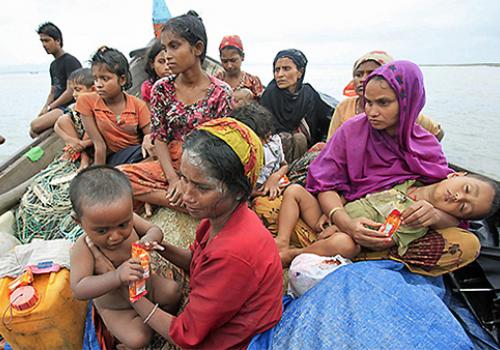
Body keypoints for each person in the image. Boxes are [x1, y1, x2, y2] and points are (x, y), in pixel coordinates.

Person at [87, 118, 283, 349]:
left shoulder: (233, 253)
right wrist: (161, 248)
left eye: (202, 187)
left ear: (238, 191)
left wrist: (129, 290)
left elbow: (186, 336)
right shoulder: (217, 219)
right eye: (183, 178)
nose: (186, 195)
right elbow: (196, 263)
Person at [303, 60, 480, 276]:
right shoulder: (352, 131)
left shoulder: (427, 146)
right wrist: (346, 223)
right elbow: (325, 184)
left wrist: (433, 215)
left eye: (383, 103)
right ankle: (362, 252)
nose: (372, 111)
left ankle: (356, 252)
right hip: (350, 217)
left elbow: (453, 214)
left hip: (399, 233)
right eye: (368, 102)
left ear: (408, 102)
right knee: (271, 206)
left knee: (468, 244)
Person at [118, 11, 232, 213]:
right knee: (117, 178)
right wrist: (173, 180)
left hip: (204, 166)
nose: (166, 55)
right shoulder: (162, 88)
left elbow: (221, 148)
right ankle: (182, 202)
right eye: (164, 48)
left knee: (220, 195)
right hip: (169, 161)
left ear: (197, 48)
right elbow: (159, 138)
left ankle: (168, 199)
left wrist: (188, 180)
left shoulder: (220, 93)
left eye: (174, 46)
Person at [275, 172, 499, 266]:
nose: (458, 197)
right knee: (295, 190)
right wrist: (338, 208)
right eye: (466, 188)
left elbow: (384, 239)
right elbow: (362, 187)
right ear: (455, 175)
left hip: (347, 236)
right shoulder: (408, 177)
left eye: (463, 207)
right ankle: (282, 241)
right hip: (329, 219)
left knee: (345, 244)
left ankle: (293, 255)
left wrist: (349, 230)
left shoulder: (418, 219)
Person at [69, 165, 180, 349]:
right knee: (139, 339)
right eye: (102, 230)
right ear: (79, 222)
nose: (115, 236)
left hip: (147, 286)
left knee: (173, 292)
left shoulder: (128, 218)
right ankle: (131, 336)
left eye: (123, 225)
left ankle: (157, 320)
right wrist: (116, 277)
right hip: (118, 308)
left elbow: (154, 230)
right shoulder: (84, 248)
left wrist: (148, 240)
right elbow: (79, 289)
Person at [326, 50, 443, 141]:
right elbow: (331, 143)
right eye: (358, 74)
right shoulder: (345, 107)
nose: (363, 79)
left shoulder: (404, 112)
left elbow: (437, 133)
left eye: (371, 73)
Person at [76, 46, 152, 167]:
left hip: (134, 153)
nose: (98, 85)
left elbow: (149, 134)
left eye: (105, 79)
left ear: (122, 80)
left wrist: (148, 139)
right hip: (109, 156)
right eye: (95, 79)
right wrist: (99, 174)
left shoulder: (138, 105)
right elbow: (99, 145)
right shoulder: (87, 101)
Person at [260, 49, 333, 162]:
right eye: (277, 70)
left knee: (300, 139)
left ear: (300, 72)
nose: (280, 75)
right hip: (274, 154)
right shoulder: (270, 95)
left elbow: (326, 121)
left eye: (286, 69)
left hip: (307, 150)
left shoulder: (308, 94)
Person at [31, 22, 82, 137]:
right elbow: (53, 91)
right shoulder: (53, 65)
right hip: (57, 107)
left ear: (57, 41)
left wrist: (50, 108)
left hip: (69, 106)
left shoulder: (70, 61)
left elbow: (70, 92)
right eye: (42, 41)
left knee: (35, 125)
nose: (44, 45)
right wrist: (44, 108)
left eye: (47, 40)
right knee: (33, 131)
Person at [232, 103, 289, 200]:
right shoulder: (238, 155)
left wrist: (275, 177)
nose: (267, 141)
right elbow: (234, 193)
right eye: (264, 138)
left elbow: (284, 165)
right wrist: (261, 192)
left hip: (275, 183)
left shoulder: (273, 141)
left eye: (268, 136)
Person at [54, 68, 95, 170]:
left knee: (89, 125)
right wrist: (70, 140)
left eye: (78, 90)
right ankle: (79, 156)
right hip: (79, 142)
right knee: (63, 119)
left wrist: (82, 144)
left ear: (93, 90)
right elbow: (57, 126)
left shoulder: (99, 107)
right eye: (73, 90)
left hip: (93, 143)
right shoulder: (76, 106)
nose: (74, 94)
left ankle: (85, 160)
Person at [140, 39, 172, 108]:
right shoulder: (148, 88)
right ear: (152, 64)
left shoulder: (183, 84)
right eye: (161, 61)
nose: (167, 67)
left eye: (170, 61)